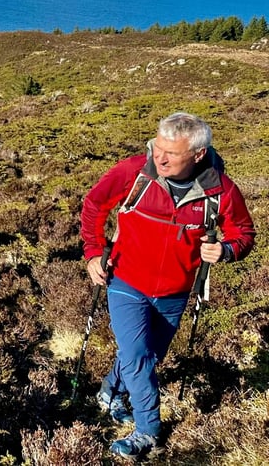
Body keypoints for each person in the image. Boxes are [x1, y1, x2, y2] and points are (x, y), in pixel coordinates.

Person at [80, 112, 255, 459]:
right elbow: (94, 204)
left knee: (149, 355)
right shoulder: (134, 172)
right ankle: (148, 432)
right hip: (125, 280)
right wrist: (94, 252)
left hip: (175, 292)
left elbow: (244, 234)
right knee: (138, 357)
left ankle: (110, 392)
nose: (159, 157)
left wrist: (226, 249)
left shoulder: (220, 190)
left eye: (171, 154)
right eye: (157, 147)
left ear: (197, 155)